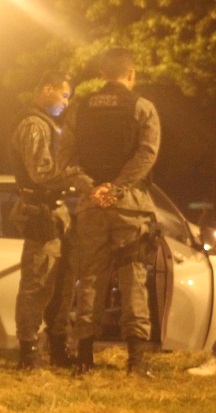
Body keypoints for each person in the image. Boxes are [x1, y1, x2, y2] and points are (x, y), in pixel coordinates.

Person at [59, 47, 161, 376]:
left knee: (89, 278)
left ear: (102, 74)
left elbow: (66, 160)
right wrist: (116, 189)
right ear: (131, 74)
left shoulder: (79, 109)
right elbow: (146, 156)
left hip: (92, 205)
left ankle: (84, 358)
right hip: (129, 206)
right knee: (134, 279)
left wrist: (93, 189)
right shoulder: (143, 108)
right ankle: (136, 360)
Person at [8, 71, 92, 369]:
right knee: (38, 282)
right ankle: (28, 350)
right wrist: (76, 175)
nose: (65, 103)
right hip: (40, 211)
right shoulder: (33, 125)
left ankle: (58, 346)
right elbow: (41, 172)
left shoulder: (45, 125)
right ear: (47, 89)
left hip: (56, 212)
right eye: (64, 95)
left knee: (63, 282)